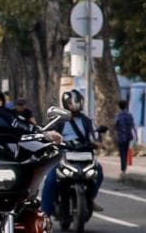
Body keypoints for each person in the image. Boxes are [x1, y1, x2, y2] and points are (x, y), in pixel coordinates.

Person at [40, 89, 104, 217]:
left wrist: (97, 142)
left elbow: (93, 135)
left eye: (77, 102)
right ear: (65, 103)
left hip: (84, 154)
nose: (75, 105)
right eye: (71, 103)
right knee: (51, 181)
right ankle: (45, 213)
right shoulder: (58, 120)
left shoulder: (87, 120)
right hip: (63, 154)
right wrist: (49, 140)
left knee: (99, 172)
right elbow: (47, 134)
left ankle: (90, 198)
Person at [114, 98, 136, 178]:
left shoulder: (118, 116)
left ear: (119, 107)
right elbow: (133, 126)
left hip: (121, 137)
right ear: (126, 106)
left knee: (122, 154)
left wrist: (115, 136)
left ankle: (123, 169)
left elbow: (115, 126)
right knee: (126, 153)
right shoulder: (129, 115)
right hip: (128, 137)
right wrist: (135, 136)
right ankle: (124, 169)